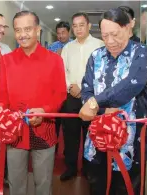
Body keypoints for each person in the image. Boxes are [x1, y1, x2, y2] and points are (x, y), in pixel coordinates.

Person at [0, 10, 67, 195]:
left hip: (44, 130)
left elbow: (61, 94)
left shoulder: (54, 60)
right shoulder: (7, 61)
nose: (22, 35)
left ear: (38, 30)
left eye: (28, 29)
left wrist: (44, 111)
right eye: (18, 30)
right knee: (16, 182)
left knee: (44, 183)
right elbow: (2, 95)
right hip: (14, 132)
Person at [79, 8, 147, 195]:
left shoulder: (140, 52)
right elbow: (86, 88)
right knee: (97, 185)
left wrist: (96, 102)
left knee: (124, 188)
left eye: (115, 34)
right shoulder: (96, 56)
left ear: (128, 28)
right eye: (105, 36)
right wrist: (98, 108)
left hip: (128, 139)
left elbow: (132, 84)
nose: (110, 41)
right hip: (98, 136)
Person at [59, 12, 104, 181]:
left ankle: (88, 169)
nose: (78, 29)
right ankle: (70, 167)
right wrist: (70, 85)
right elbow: (62, 71)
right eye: (75, 26)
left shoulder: (99, 45)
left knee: (90, 135)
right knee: (70, 134)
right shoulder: (68, 48)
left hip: (92, 98)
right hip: (71, 96)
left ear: (89, 26)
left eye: (81, 25)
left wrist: (83, 87)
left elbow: (100, 72)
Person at [47, 21, 72, 146]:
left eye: (63, 33)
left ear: (69, 32)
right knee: (54, 122)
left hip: (70, 91)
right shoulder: (52, 47)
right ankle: (53, 147)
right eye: (58, 33)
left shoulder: (74, 46)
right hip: (54, 90)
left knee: (69, 125)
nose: (61, 36)